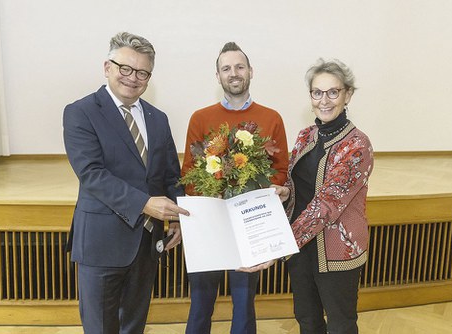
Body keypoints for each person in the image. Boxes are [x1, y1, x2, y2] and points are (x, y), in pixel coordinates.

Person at [63, 32, 189, 334]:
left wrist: (179, 220)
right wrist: (145, 204)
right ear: (108, 67)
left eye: (142, 72)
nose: (133, 78)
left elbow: (171, 175)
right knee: (101, 327)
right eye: (125, 69)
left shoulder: (157, 118)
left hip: (147, 244)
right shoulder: (81, 112)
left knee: (134, 325)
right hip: (101, 243)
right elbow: (92, 173)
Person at [181, 42, 289, 334]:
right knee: (201, 301)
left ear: (250, 71)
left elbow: (280, 170)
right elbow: (189, 173)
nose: (234, 73)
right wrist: (210, 199)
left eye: (239, 67)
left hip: (250, 221)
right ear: (217, 76)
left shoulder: (271, 118)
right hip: (210, 221)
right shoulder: (200, 118)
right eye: (226, 68)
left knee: (244, 300)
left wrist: (262, 193)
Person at [272, 58, 374, 333]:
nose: (324, 100)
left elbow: (328, 203)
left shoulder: (358, 144)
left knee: (341, 324)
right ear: (311, 96)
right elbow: (299, 184)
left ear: (347, 94)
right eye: (317, 92)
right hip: (302, 249)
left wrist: (282, 244)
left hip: (336, 249)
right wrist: (284, 191)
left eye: (333, 92)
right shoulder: (306, 135)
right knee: (307, 319)